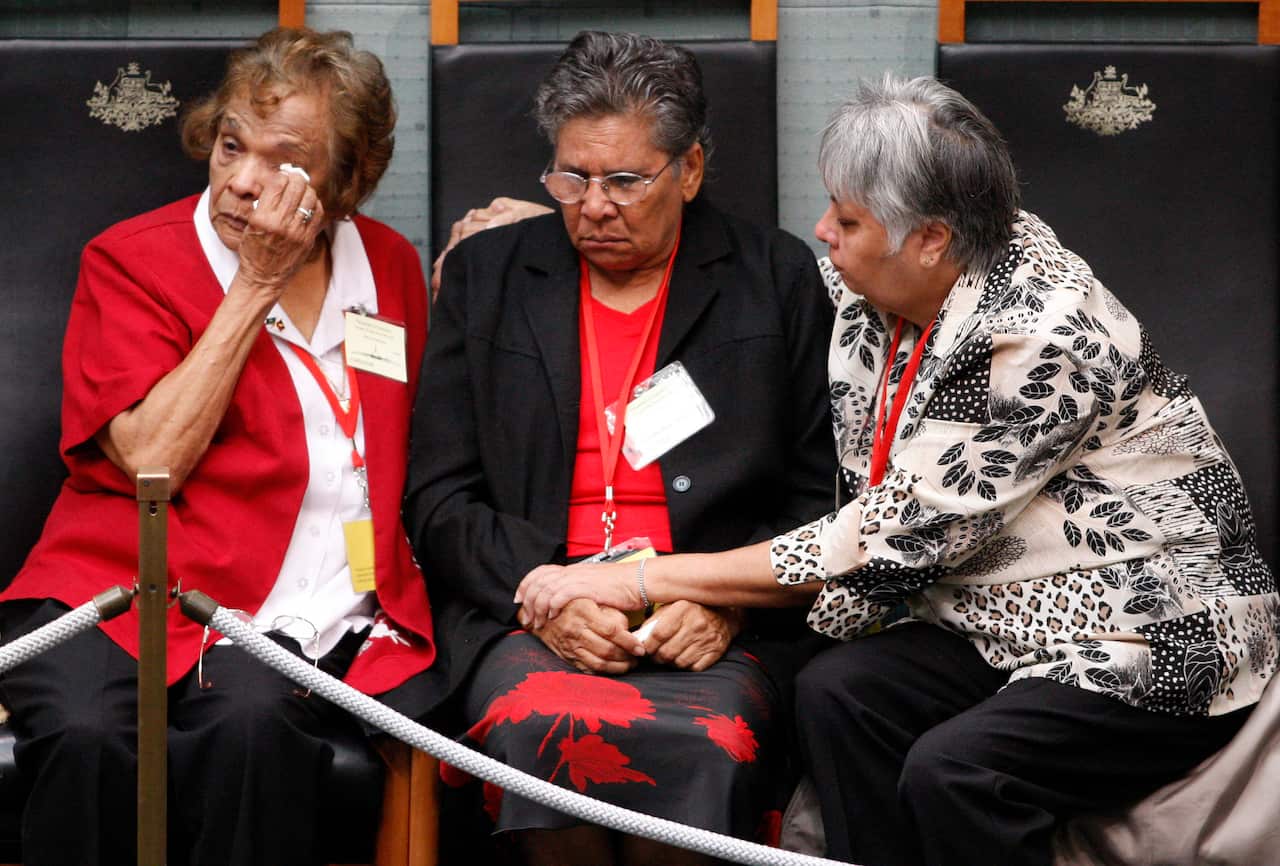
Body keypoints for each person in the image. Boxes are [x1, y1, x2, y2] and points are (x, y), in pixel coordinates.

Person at [516, 74, 1280, 866]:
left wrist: (648, 579)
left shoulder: (1050, 337)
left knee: (958, 774)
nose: (822, 231)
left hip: (1155, 631)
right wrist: (546, 235)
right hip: (995, 621)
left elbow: (886, 542)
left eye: (846, 219)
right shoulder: (880, 280)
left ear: (931, 237)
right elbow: (754, 286)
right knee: (838, 692)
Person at [0, 27, 437, 866]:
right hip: (119, 587)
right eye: (232, 144)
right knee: (90, 738)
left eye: (284, 159)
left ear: (346, 183)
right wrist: (256, 285)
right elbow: (149, 463)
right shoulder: (132, 261)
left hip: (302, 613)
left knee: (254, 725)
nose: (242, 181)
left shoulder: (388, 266)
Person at [402, 30, 835, 866]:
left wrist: (728, 603)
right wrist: (545, 595)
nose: (593, 205)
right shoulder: (488, 275)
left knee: (712, 744)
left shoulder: (773, 278)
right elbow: (438, 497)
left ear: (692, 171)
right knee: (546, 733)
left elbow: (820, 500)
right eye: (571, 178)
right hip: (532, 614)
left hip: (709, 623)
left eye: (626, 181)